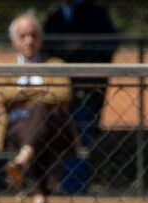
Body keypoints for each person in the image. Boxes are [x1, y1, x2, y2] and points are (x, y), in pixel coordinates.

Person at [0, 12, 78, 203]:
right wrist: (41, 91)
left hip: (54, 128)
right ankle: (39, 198)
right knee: (38, 130)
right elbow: (4, 94)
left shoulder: (56, 64)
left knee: (41, 112)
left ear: (41, 38)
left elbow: (64, 93)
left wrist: (24, 96)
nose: (29, 41)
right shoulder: (7, 69)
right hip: (18, 129)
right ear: (14, 41)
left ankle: (22, 160)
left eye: (33, 35)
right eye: (23, 36)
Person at [43, 0, 118, 146]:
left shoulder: (96, 12)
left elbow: (111, 43)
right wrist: (64, 48)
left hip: (89, 84)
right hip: (61, 83)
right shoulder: (54, 16)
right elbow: (45, 48)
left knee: (85, 129)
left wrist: (83, 44)